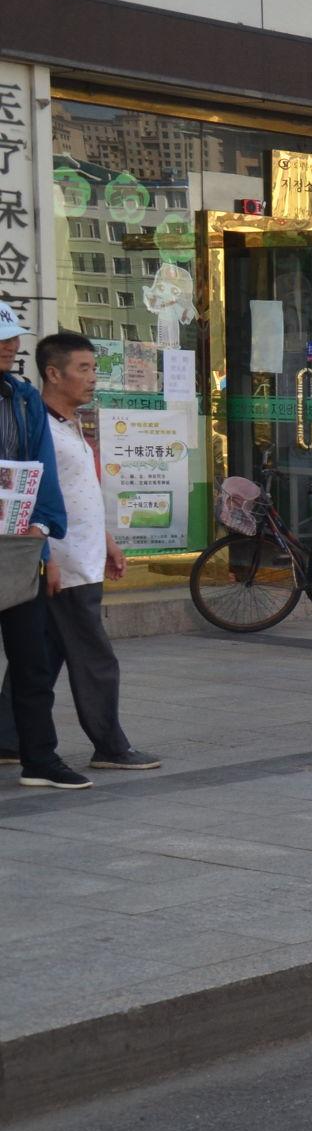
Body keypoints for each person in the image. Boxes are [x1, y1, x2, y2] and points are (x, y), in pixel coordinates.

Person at [0, 334, 157, 775]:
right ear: (53, 373)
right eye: (83, 369)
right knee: (94, 657)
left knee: (41, 656)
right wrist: (44, 554)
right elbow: (39, 501)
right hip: (62, 563)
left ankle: (7, 736)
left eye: (94, 369)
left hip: (81, 556)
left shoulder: (69, 423)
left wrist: (106, 539)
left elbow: (79, 494)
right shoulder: (38, 428)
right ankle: (109, 744)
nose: (93, 379)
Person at [0, 305, 78, 790]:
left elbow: (41, 474)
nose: (13, 346)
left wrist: (44, 535)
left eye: (13, 338)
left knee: (31, 659)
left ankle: (40, 759)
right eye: (4, 339)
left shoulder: (23, 399)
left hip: (16, 547)